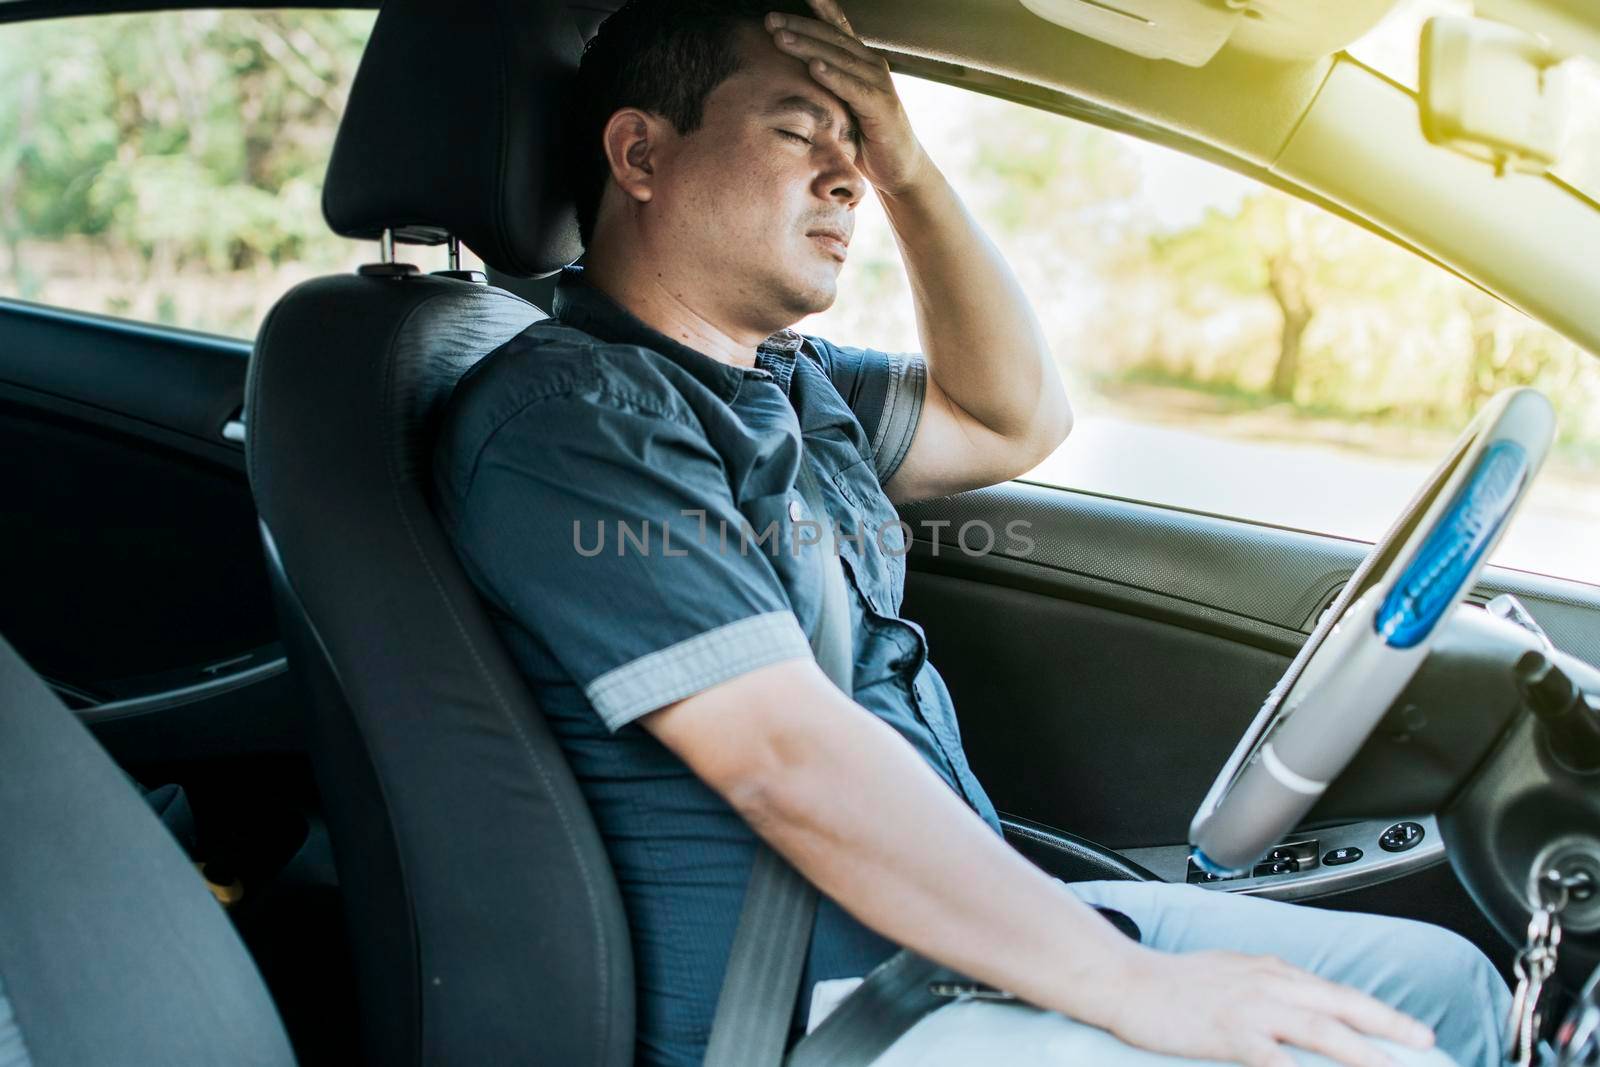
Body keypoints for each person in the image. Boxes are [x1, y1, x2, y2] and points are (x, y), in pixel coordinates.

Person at [431, 1, 1511, 1064]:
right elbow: (779, 754)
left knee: (1446, 990)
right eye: (800, 133)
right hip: (820, 1007)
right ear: (640, 153)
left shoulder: (790, 385)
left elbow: (1014, 416)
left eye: (854, 148)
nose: (845, 176)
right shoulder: (572, 421)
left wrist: (908, 169)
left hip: (945, 937)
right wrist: (1131, 984)